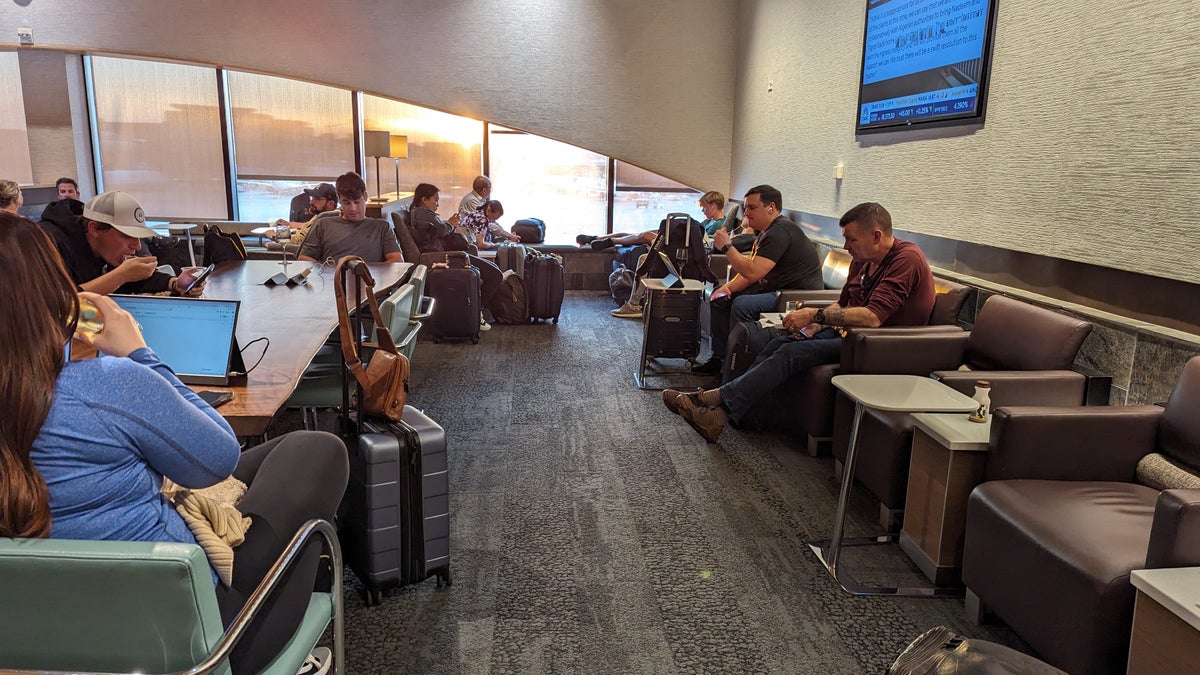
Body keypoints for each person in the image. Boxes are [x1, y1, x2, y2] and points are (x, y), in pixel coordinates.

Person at [0, 211, 348, 674]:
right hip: (193, 643)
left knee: (279, 455)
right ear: (56, 298)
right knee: (317, 451)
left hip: (34, 642)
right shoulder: (108, 385)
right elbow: (219, 457)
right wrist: (142, 357)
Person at [664, 202, 936, 442]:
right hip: (851, 336)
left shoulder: (906, 259)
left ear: (876, 236)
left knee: (793, 353)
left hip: (883, 347)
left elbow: (873, 318)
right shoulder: (863, 260)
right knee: (780, 342)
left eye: (851, 240)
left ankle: (710, 400)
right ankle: (721, 416)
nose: (845, 247)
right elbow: (844, 304)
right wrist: (817, 324)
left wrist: (816, 315)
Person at [690, 184, 823, 375]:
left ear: (771, 207)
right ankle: (720, 359)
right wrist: (726, 288)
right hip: (775, 289)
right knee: (722, 299)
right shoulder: (767, 232)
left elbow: (752, 273)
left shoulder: (780, 233)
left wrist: (727, 247)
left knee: (743, 304)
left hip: (795, 296)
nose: (746, 213)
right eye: (745, 208)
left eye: (752, 208)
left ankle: (738, 366)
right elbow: (750, 271)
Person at [39, 190, 206, 296]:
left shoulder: (103, 249)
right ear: (95, 228)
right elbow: (59, 303)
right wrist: (121, 274)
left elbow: (132, 280)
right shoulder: (47, 244)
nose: (137, 246)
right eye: (127, 235)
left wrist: (175, 283)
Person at [611, 191, 728, 318]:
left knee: (645, 243)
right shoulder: (707, 222)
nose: (703, 211)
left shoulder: (719, 225)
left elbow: (707, 244)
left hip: (687, 256)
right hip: (684, 251)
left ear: (713, 205)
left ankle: (634, 304)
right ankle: (609, 238)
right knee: (645, 234)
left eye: (704, 207)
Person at [410, 183, 505, 331]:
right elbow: (440, 231)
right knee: (495, 275)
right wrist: (451, 224)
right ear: (424, 199)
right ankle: (476, 311)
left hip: (447, 253)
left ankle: (475, 310)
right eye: (435, 200)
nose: (437, 204)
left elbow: (435, 232)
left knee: (494, 271)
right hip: (445, 257)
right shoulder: (422, 213)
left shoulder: (419, 213)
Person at [297, 172, 403, 264]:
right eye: (346, 202)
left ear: (365, 196)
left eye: (357, 202)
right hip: (333, 283)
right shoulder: (322, 225)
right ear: (339, 199)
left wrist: (365, 273)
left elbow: (397, 261)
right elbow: (304, 259)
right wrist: (329, 274)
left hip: (371, 284)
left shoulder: (382, 227)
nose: (353, 208)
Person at [268, 183, 339, 249]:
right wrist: (289, 224)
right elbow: (307, 227)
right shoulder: (320, 215)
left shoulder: (325, 219)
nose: (311, 202)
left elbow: (299, 241)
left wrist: (275, 236)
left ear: (330, 204)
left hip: (303, 257)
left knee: (268, 247)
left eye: (317, 199)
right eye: (312, 198)